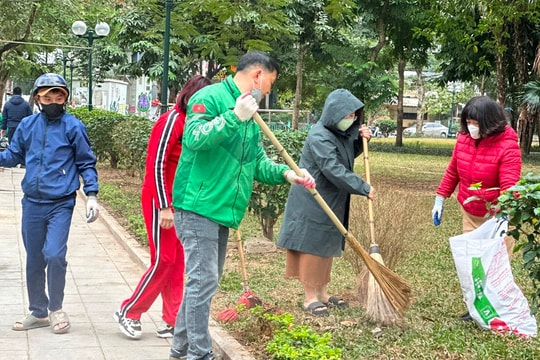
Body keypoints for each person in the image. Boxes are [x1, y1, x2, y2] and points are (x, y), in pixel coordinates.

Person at [169, 51, 316, 360]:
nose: (268, 91)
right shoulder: (210, 98)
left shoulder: (252, 112)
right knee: (203, 280)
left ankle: (179, 349)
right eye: (270, 83)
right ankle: (199, 353)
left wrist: (289, 173)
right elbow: (194, 137)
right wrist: (234, 117)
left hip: (224, 209)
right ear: (258, 76)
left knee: (204, 282)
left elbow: (256, 163)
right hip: (197, 205)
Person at [0, 73, 100, 334]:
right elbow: (13, 155)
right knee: (34, 258)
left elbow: (86, 162)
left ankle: (56, 309)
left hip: (61, 203)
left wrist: (91, 195)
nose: (53, 99)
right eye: (47, 95)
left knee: (54, 255)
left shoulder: (73, 127)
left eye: (59, 95)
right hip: (32, 203)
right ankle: (38, 311)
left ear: (65, 98)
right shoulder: (27, 125)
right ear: (37, 98)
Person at [114, 75, 212, 339]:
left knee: (178, 261)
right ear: (190, 97)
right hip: (160, 200)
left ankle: (172, 319)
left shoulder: (197, 124)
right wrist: (164, 207)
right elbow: (156, 165)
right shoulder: (172, 121)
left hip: (182, 203)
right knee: (164, 259)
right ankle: (129, 310)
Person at [277, 89, 376, 317]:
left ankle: (322, 293)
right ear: (334, 113)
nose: (350, 119)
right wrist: (363, 187)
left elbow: (346, 155)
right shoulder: (320, 135)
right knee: (312, 246)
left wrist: (361, 142)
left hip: (331, 198)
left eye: (353, 115)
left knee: (326, 246)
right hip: (312, 199)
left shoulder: (340, 135)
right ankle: (310, 297)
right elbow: (333, 168)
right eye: (347, 115)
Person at [431, 95, 521, 320]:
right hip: (470, 212)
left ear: (490, 122)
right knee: (473, 263)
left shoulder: (507, 145)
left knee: (494, 266)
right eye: (468, 122)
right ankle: (476, 309)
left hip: (497, 217)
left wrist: (505, 215)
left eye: (476, 123)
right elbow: (454, 169)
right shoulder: (463, 138)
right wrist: (440, 198)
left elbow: (510, 184)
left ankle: (497, 310)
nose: (471, 127)